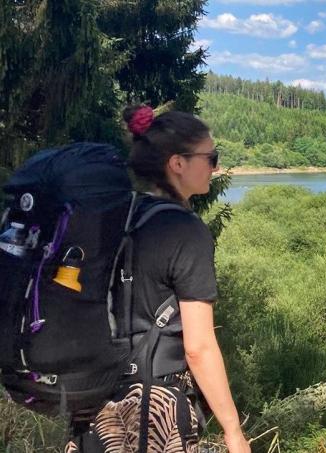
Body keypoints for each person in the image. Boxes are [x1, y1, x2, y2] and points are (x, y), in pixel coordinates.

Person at [64, 105, 250, 453]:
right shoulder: (186, 230)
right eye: (210, 157)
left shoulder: (116, 216)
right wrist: (233, 432)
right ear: (177, 164)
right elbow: (199, 348)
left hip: (93, 403)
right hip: (154, 410)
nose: (216, 167)